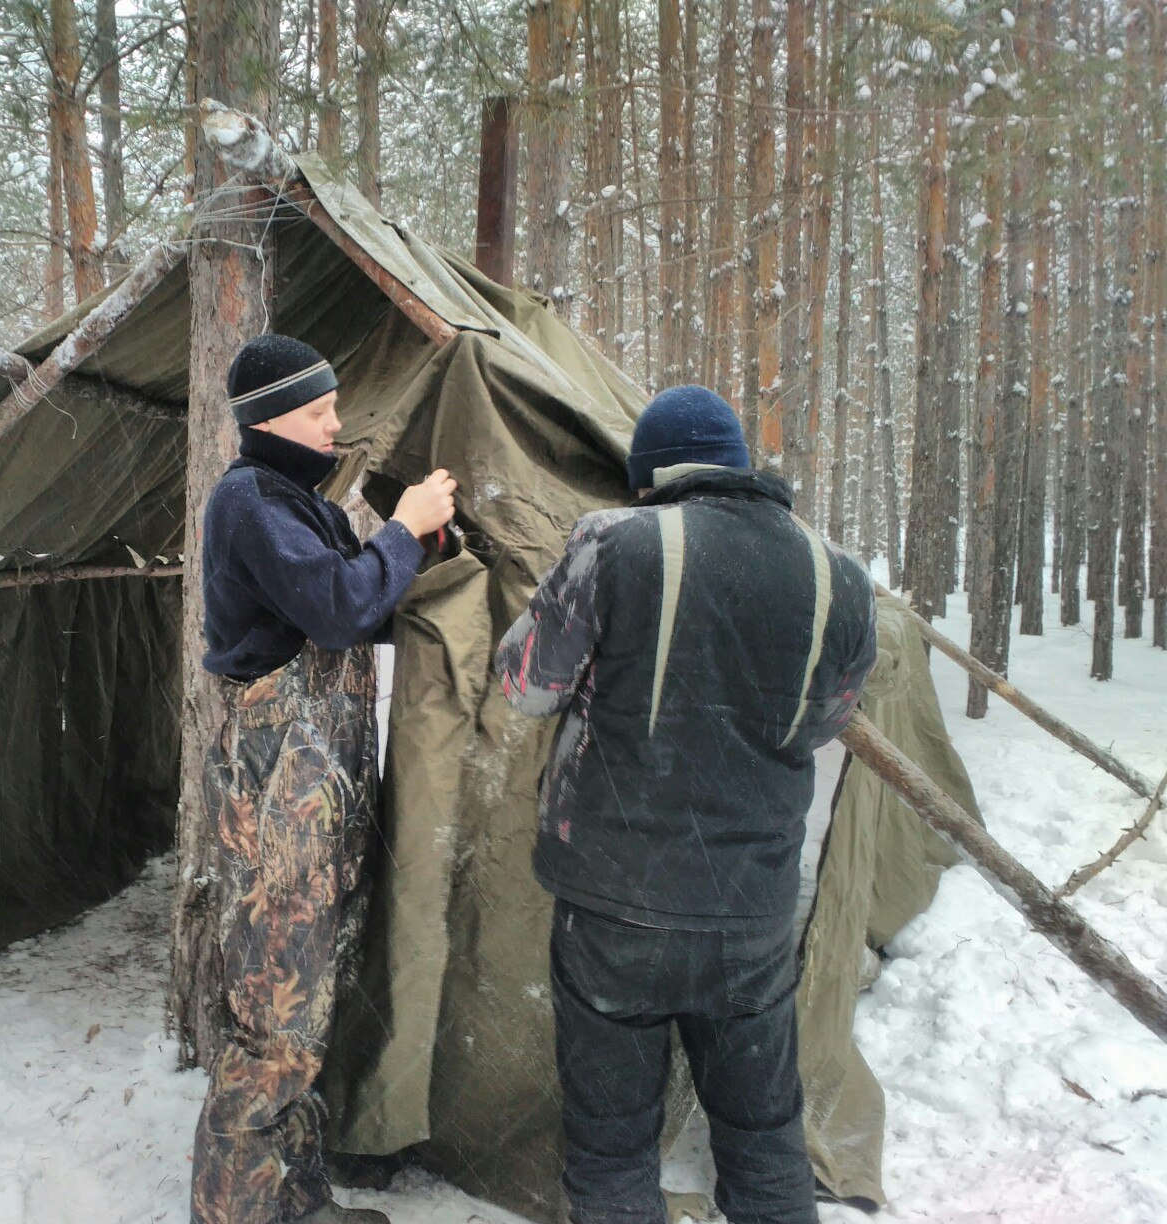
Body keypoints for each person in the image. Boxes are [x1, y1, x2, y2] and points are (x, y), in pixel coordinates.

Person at [494, 385, 878, 1224]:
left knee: (611, 1147)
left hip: (614, 908)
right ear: (740, 468)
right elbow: (826, 722)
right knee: (764, 1137)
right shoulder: (839, 576)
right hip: (752, 910)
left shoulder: (615, 543)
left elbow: (529, 685)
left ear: (651, 476)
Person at [191, 333, 457, 1224]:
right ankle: (235, 1212)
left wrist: (422, 554)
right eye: (317, 410)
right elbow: (340, 609)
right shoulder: (250, 502)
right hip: (277, 808)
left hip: (317, 803)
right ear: (268, 418)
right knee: (273, 1026)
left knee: (302, 1016)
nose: (337, 424)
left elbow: (362, 603)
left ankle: (294, 1204)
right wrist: (405, 528)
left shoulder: (301, 504)